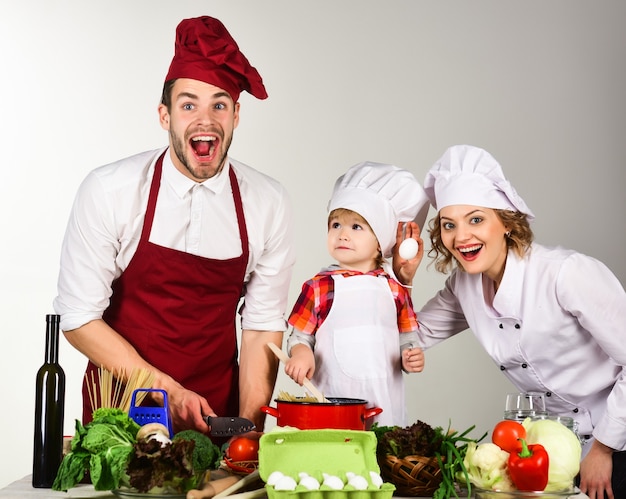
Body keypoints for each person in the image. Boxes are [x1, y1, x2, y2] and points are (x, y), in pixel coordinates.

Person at [53, 16, 295, 436]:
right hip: (121, 414)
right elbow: (78, 318)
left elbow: (260, 326)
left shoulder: (267, 201)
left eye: (219, 104)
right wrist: (166, 390)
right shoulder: (111, 190)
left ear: (236, 115)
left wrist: (248, 431)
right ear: (164, 116)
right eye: (189, 105)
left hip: (218, 415)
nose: (205, 120)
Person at [393, 145, 626, 498]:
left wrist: (605, 448)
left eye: (476, 219)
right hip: (553, 452)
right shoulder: (464, 285)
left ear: (506, 221)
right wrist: (402, 279)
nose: (461, 237)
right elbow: (412, 335)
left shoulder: (566, 273)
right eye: (448, 225)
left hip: (616, 438)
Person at [284, 161, 429, 426]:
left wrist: (411, 355)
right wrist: (301, 352)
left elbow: (408, 338)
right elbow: (299, 337)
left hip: (386, 408)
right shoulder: (319, 287)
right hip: (332, 408)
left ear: (380, 241)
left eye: (356, 227)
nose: (342, 235)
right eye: (336, 224)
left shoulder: (395, 289)